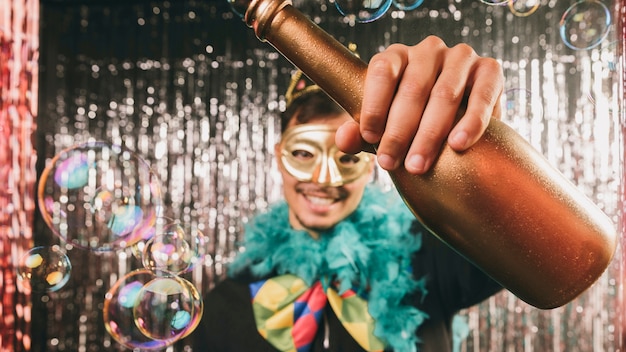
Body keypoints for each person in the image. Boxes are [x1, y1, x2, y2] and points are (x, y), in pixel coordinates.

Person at [192, 36, 504, 352]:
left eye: (348, 158)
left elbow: (530, 247)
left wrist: (478, 147)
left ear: (371, 165)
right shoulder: (223, 309)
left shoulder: (430, 259)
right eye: (303, 153)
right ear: (278, 156)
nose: (324, 180)